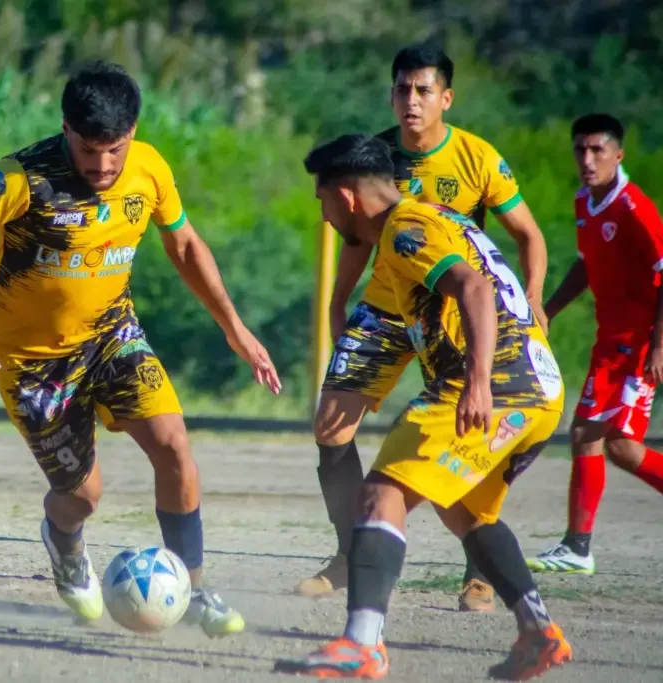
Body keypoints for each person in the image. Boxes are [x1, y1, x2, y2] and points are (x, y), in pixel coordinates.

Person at [0, 60, 282, 637]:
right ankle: (63, 540)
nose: (104, 164)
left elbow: (185, 245)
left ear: (132, 133)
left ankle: (192, 588)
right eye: (90, 150)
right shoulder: (20, 179)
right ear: (66, 128)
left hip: (112, 334)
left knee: (174, 444)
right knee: (83, 495)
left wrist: (232, 326)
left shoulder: (149, 169)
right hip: (33, 364)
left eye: (116, 149)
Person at [276, 134, 571, 680]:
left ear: (346, 197)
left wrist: (477, 383)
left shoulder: (405, 229)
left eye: (323, 201)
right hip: (540, 392)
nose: (324, 216)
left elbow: (474, 289)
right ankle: (539, 632)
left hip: (493, 386)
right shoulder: (435, 217)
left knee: (380, 494)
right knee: (464, 512)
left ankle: (362, 645)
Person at [295, 43, 550, 614]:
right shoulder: (373, 157)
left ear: (446, 98)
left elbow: (527, 235)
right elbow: (357, 236)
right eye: (401, 89)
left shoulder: (478, 158)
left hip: (451, 308)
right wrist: (339, 301)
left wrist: (532, 297)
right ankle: (350, 554)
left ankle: (478, 574)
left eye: (423, 90)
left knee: (468, 427)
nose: (410, 101)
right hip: (385, 309)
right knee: (330, 424)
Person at [526, 114, 663, 575]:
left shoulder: (633, 207)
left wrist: (659, 346)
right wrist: (548, 309)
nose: (587, 159)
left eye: (597, 150)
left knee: (586, 433)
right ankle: (577, 546)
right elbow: (586, 264)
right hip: (611, 339)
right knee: (621, 447)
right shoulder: (585, 201)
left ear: (617, 155)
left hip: (637, 342)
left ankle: (577, 546)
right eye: (580, 150)